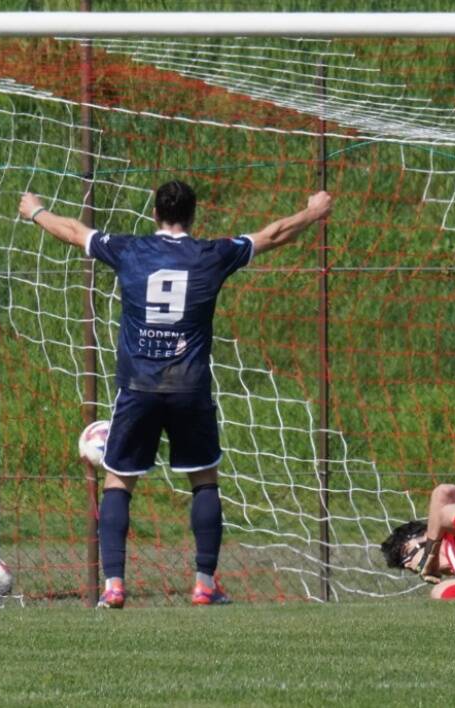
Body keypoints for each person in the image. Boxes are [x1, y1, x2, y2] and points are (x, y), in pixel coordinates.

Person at [20, 181, 333, 608]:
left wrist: (36, 211)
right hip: (189, 387)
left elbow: (75, 231)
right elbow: (274, 233)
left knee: (119, 480)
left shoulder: (129, 250)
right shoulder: (212, 254)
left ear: (154, 213)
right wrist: (313, 211)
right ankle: (204, 583)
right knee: (204, 479)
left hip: (138, 387)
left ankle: (114, 585)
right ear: (193, 215)